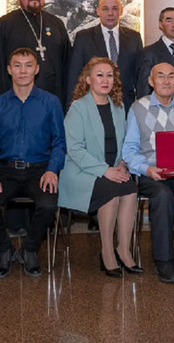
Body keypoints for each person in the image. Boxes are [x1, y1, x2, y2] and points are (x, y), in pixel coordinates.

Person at [0, 47, 66, 278]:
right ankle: (5, 250)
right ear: (9, 70)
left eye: (28, 65)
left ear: (37, 69)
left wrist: (52, 170)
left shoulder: (50, 102)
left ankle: (29, 249)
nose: (23, 70)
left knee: (48, 205)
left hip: (40, 169)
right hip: (5, 170)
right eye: (17, 65)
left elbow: (59, 142)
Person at [123, 62, 174, 283]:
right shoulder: (137, 108)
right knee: (162, 196)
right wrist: (147, 169)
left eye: (171, 76)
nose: (166, 81)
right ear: (151, 81)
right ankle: (164, 261)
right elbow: (129, 151)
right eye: (160, 77)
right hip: (152, 173)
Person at [60, 57, 140, 278]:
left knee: (130, 190)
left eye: (110, 75)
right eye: (99, 75)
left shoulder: (118, 106)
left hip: (113, 169)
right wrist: (105, 171)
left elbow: (124, 142)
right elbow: (74, 149)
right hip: (81, 172)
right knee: (111, 193)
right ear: (88, 80)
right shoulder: (78, 107)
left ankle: (123, 250)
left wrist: (122, 164)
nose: (105, 80)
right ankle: (106, 252)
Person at [68, 0, 143, 112]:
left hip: (127, 107)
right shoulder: (83, 38)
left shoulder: (134, 38)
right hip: (93, 106)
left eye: (114, 8)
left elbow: (140, 77)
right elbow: (74, 75)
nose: (110, 13)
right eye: (105, 9)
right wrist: (72, 108)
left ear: (121, 11)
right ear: (98, 11)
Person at [136, 7, 174, 101]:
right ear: (160, 25)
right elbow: (143, 89)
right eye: (169, 20)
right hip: (159, 110)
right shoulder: (149, 52)